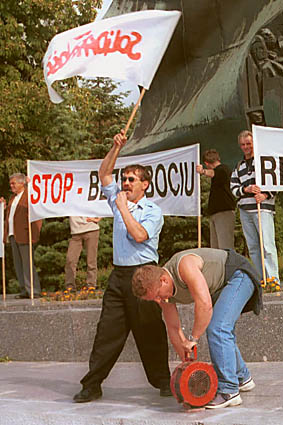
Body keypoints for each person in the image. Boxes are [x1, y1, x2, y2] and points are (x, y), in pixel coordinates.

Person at [73, 130, 171, 403]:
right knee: (107, 332)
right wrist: (115, 148)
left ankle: (163, 380)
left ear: (145, 185)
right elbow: (104, 173)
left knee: (150, 330)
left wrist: (123, 209)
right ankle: (92, 384)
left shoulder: (152, 211)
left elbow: (139, 235)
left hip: (145, 273)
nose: (125, 183)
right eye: (124, 179)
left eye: (132, 180)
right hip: (119, 275)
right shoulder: (118, 198)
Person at [132, 247, 262, 409]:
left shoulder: (184, 266)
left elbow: (205, 305)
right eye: (153, 299)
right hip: (221, 288)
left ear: (164, 280)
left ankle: (229, 391)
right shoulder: (164, 296)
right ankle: (242, 377)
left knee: (218, 327)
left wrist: (193, 339)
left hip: (239, 275)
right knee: (221, 329)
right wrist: (188, 363)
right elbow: (173, 329)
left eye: (158, 295)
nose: (159, 301)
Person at [230, 130, 280, 289]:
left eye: (248, 144)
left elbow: (277, 181)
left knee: (267, 246)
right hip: (245, 210)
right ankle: (261, 281)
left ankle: (273, 280)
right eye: (243, 144)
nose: (246, 147)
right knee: (253, 247)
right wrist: (245, 189)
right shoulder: (239, 166)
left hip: (263, 209)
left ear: (254, 143)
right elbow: (233, 188)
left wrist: (266, 194)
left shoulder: (264, 162)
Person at [1, 173, 42, 298]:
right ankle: (24, 290)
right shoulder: (13, 198)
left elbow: (37, 217)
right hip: (14, 234)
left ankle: (34, 290)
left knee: (28, 263)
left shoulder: (29, 196)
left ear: (21, 183)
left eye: (14, 183)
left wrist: (34, 235)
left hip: (25, 235)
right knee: (18, 264)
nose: (11, 186)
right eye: (11, 183)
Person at [196, 149, 236, 249]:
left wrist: (203, 171)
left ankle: (228, 264)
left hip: (224, 212)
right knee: (216, 247)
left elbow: (214, 173)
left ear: (206, 163)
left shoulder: (223, 169)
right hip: (216, 213)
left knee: (225, 245)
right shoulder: (221, 172)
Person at [65, 216, 101, 291]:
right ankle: (70, 286)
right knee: (70, 260)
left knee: (91, 260)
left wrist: (99, 218)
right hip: (75, 232)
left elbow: (103, 205)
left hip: (91, 229)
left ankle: (91, 285)